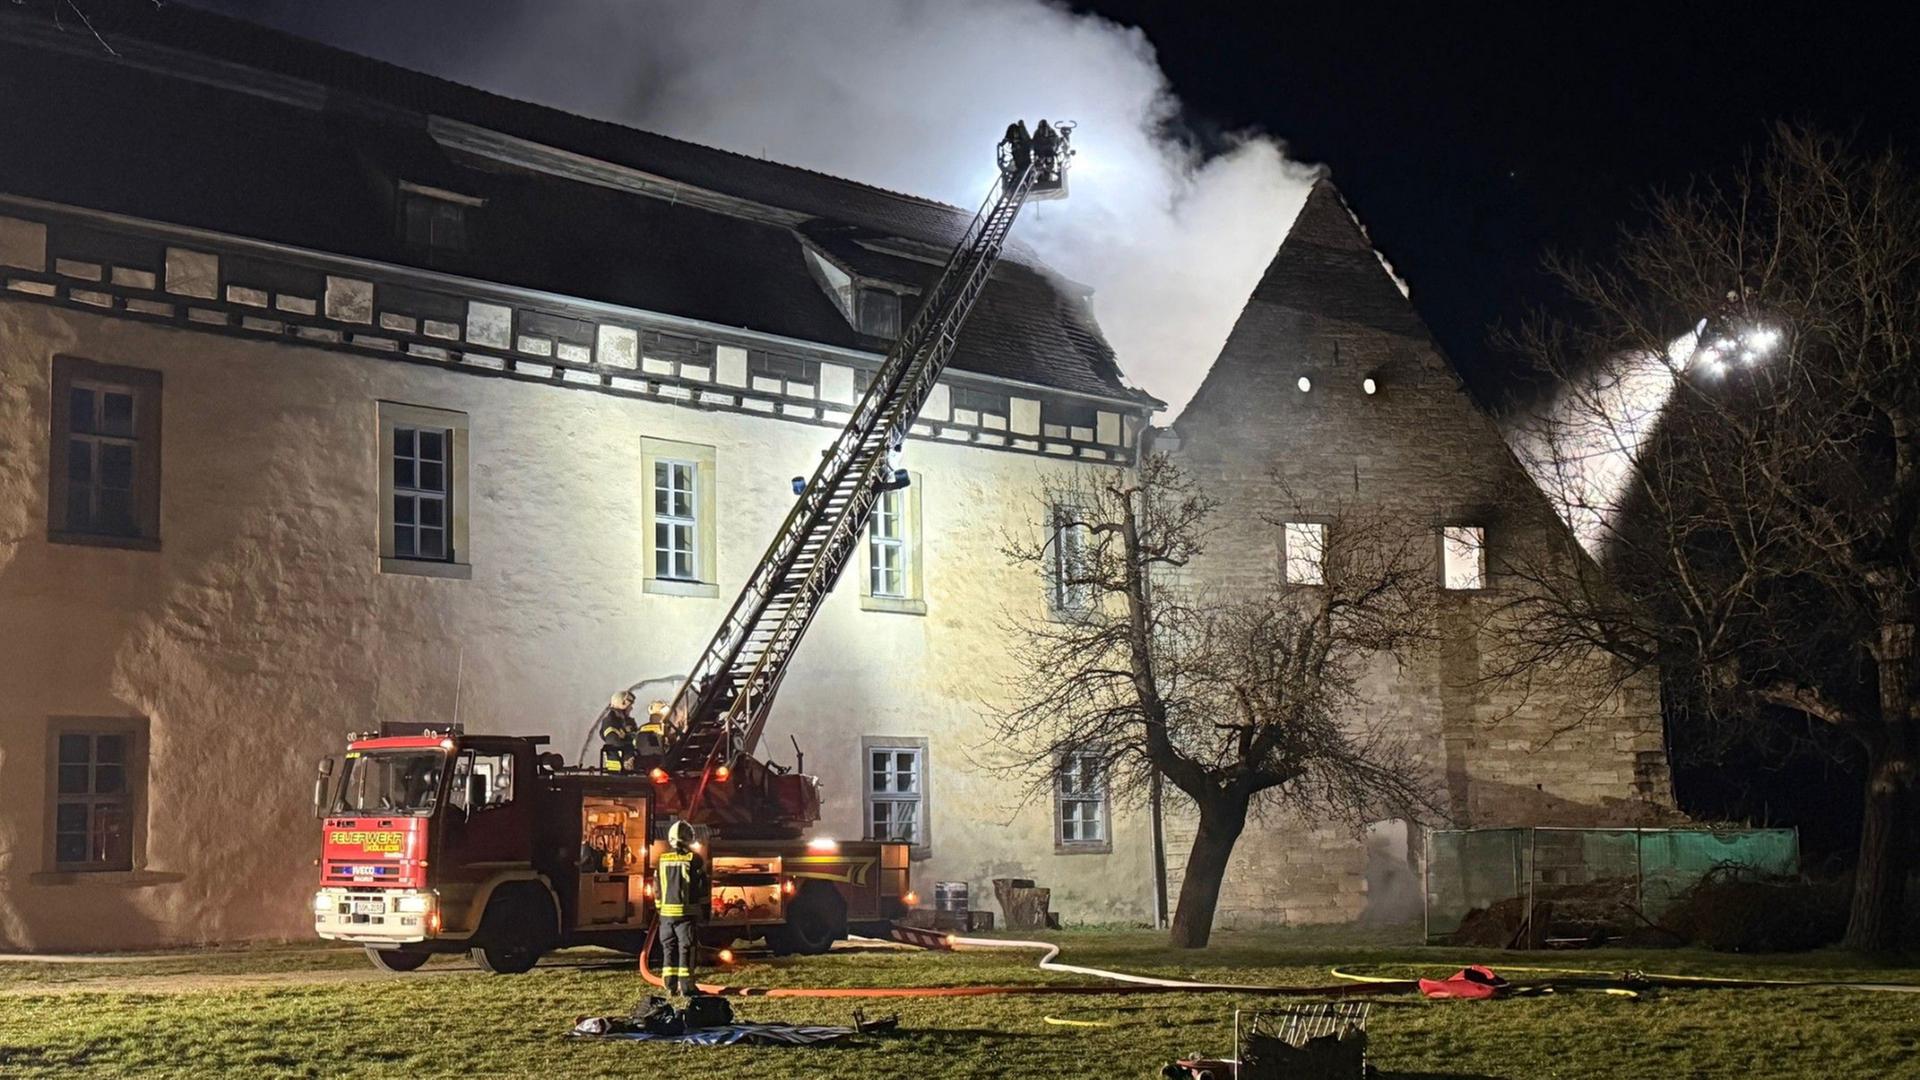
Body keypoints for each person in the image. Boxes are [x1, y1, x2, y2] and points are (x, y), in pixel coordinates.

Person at [655, 819, 708, 996]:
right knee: (686, 948)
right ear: (689, 837)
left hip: (666, 916)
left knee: (668, 949)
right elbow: (702, 887)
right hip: (686, 914)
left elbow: (657, 887)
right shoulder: (694, 859)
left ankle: (669, 986)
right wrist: (704, 909)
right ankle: (686, 987)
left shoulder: (662, 859)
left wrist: (659, 909)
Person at [597, 690, 640, 772]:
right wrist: (630, 748)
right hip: (617, 768)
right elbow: (613, 741)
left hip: (628, 766)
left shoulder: (628, 722)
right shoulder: (610, 721)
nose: (631, 708)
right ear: (622, 703)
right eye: (629, 705)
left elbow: (636, 737)